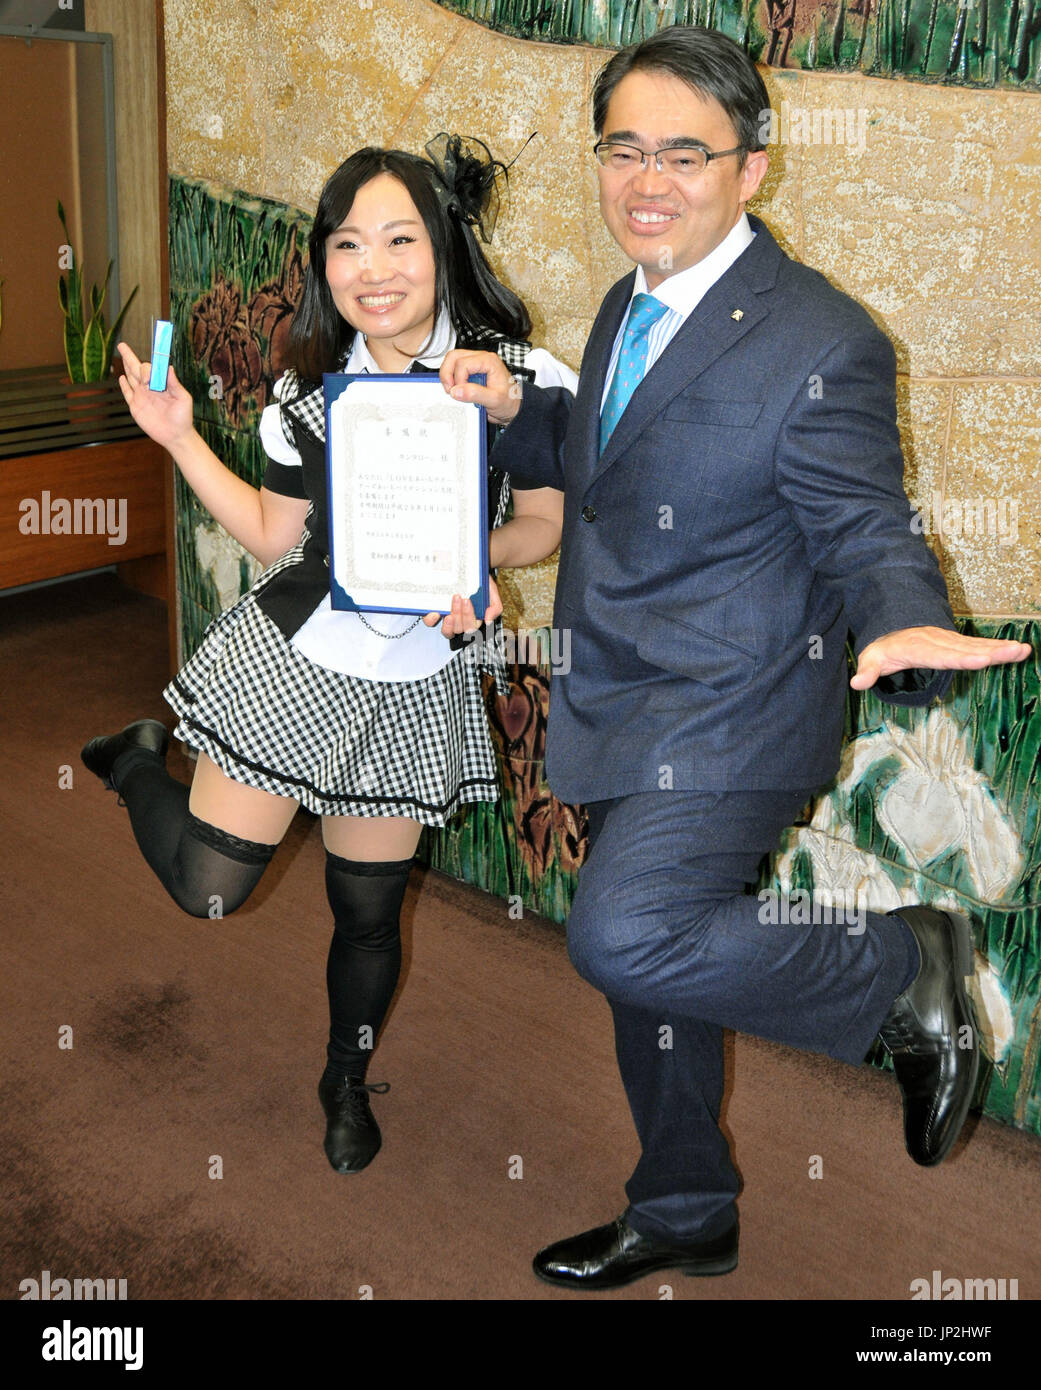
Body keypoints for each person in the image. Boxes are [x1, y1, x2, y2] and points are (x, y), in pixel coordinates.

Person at [440, 27, 1032, 1289]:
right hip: (616, 691)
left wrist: (897, 615)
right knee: (652, 979)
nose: (645, 180)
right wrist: (520, 414)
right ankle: (685, 1204)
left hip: (733, 706)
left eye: (683, 153)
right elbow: (615, 466)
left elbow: (863, 521)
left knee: (623, 935)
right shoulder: (628, 298)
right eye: (622, 148)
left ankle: (896, 964)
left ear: (750, 169)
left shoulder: (822, 342)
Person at [82, 138, 571, 1176]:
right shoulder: (310, 396)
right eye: (347, 244)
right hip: (297, 659)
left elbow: (542, 523)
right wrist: (176, 435)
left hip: (408, 688)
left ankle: (344, 1082)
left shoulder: (515, 380)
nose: (372, 267)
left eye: (399, 238)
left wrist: (469, 560)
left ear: (442, 248)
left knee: (368, 910)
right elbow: (272, 533)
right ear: (323, 264)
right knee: (209, 888)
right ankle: (134, 759)